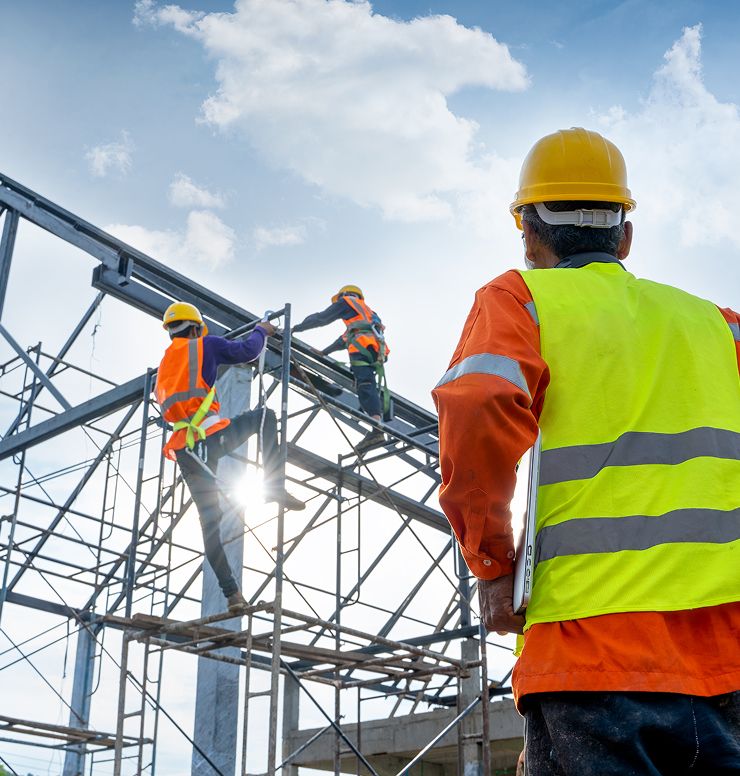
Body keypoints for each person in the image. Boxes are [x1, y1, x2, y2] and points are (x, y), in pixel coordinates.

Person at [433, 128, 740, 774]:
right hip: (728, 667)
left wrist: (491, 564)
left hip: (589, 660)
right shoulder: (720, 328)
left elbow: (477, 404)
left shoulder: (519, 302)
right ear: (625, 235)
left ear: (528, 233)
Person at [156, 301, 305, 612]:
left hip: (185, 448)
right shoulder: (204, 345)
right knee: (265, 417)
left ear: (171, 331)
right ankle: (273, 486)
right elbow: (247, 352)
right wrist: (261, 331)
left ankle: (232, 596)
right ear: (196, 328)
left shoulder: (166, 363)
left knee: (209, 523)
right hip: (209, 435)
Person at [292, 285, 390, 451]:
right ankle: (376, 427)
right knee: (366, 383)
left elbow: (321, 318)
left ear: (344, 295)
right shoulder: (368, 314)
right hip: (374, 351)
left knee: (365, 385)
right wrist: (324, 352)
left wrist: (296, 328)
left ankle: (376, 428)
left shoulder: (346, 301)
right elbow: (344, 339)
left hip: (362, 349)